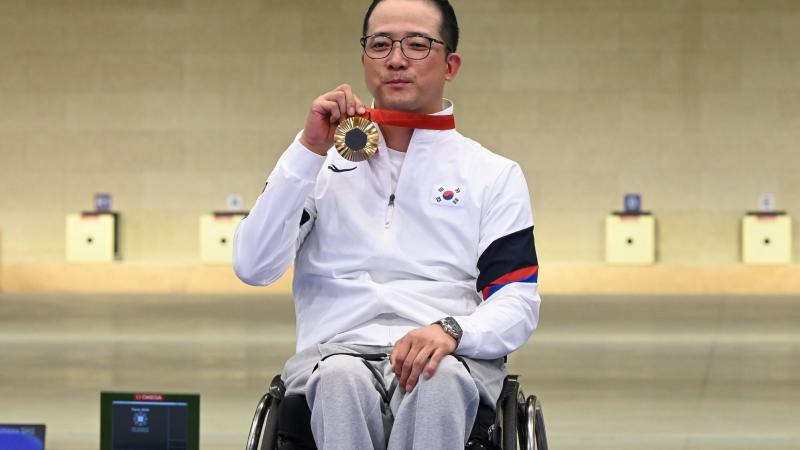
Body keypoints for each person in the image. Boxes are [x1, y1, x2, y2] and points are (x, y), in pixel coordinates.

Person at [233, 0, 541, 448]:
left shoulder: (492, 173)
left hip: (448, 355)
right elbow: (253, 266)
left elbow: (517, 300)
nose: (396, 59)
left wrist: (454, 331)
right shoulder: (318, 162)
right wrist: (307, 150)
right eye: (381, 45)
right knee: (341, 380)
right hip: (333, 355)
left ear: (450, 64)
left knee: (438, 381)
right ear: (364, 60)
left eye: (417, 45)